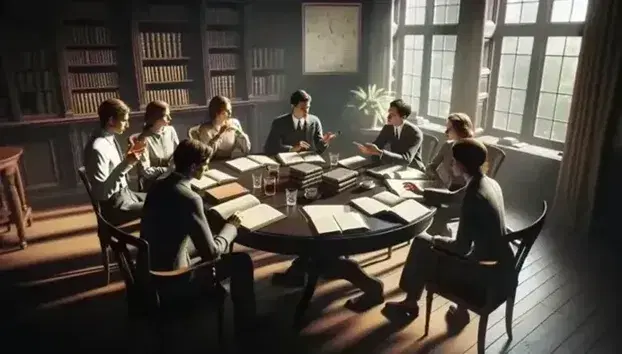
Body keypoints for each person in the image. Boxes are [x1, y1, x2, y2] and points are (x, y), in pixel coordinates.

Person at [384, 138, 514, 322]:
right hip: (502, 264)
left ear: (461, 165)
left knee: (422, 241)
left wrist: (435, 240)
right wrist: (422, 192)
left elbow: (461, 247)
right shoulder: (488, 183)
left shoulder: (473, 197)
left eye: (453, 160)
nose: (451, 164)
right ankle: (460, 311)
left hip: (481, 273)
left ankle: (410, 302)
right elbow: (455, 196)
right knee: (428, 242)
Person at [140, 139, 256, 337]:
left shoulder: (158, 186)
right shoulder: (191, 198)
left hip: (150, 268)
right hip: (174, 280)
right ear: (194, 167)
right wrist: (231, 227)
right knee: (243, 261)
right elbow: (211, 254)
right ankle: (247, 328)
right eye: (205, 164)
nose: (207, 167)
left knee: (204, 237)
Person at [408, 113, 476, 236]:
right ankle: (435, 233)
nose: (445, 131)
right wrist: (434, 177)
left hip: (462, 195)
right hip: (444, 187)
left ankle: (433, 236)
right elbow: (431, 166)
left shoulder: (472, 149)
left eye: (449, 128)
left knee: (436, 210)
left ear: (460, 129)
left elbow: (465, 190)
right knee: (422, 201)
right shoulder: (447, 146)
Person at [83, 98, 146, 224]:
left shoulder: (109, 138)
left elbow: (113, 169)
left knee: (164, 197)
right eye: (124, 121)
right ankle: (152, 242)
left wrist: (128, 158)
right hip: (116, 207)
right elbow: (102, 194)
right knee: (162, 206)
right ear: (111, 120)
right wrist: (126, 163)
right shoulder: (98, 147)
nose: (127, 125)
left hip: (126, 194)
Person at [357, 99, 425, 170]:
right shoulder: (388, 128)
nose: (388, 117)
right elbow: (377, 145)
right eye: (389, 113)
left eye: (393, 115)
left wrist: (379, 152)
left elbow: (406, 160)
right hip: (395, 166)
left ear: (403, 117)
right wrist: (368, 149)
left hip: (413, 169)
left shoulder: (415, 133)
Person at [263, 89, 337, 155]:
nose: (306, 111)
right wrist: (292, 149)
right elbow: (269, 148)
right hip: (287, 164)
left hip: (309, 163)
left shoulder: (315, 121)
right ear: (293, 106)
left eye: (307, 108)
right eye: (302, 108)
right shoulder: (279, 123)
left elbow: (319, 149)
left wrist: (324, 142)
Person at [134, 100, 179, 191]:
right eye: (166, 116)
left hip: (172, 178)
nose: (170, 118)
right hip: (154, 184)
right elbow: (145, 171)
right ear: (156, 117)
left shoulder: (170, 130)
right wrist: (168, 170)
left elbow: (179, 153)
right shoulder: (143, 139)